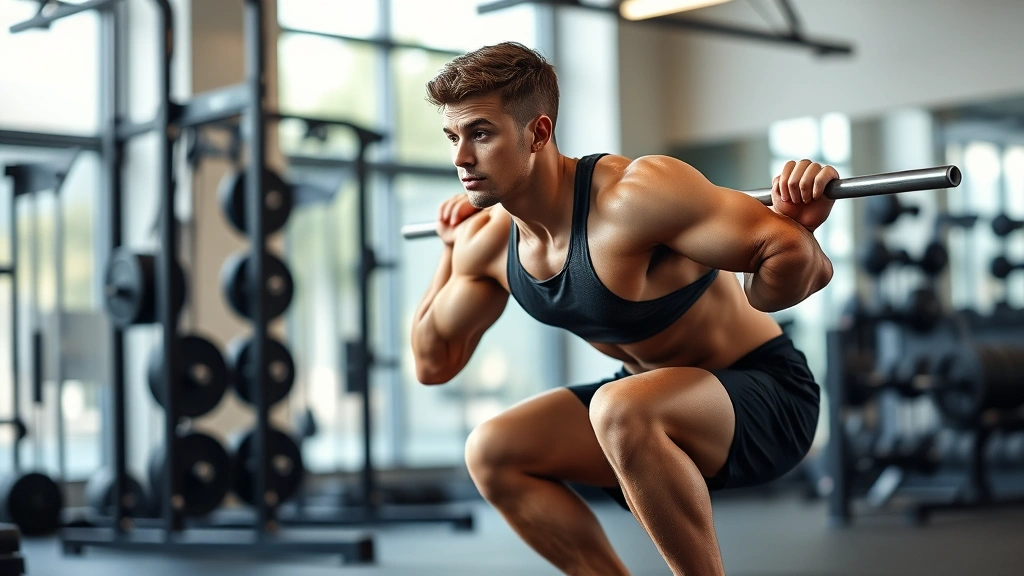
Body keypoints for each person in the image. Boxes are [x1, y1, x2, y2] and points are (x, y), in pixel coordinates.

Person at [410, 41, 836, 576]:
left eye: (480, 133)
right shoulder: (490, 244)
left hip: (766, 399)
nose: (460, 158)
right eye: (452, 136)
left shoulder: (633, 198)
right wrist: (448, 254)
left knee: (618, 407)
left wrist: (796, 228)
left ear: (538, 133)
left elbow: (800, 263)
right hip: (641, 410)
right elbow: (434, 362)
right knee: (492, 451)